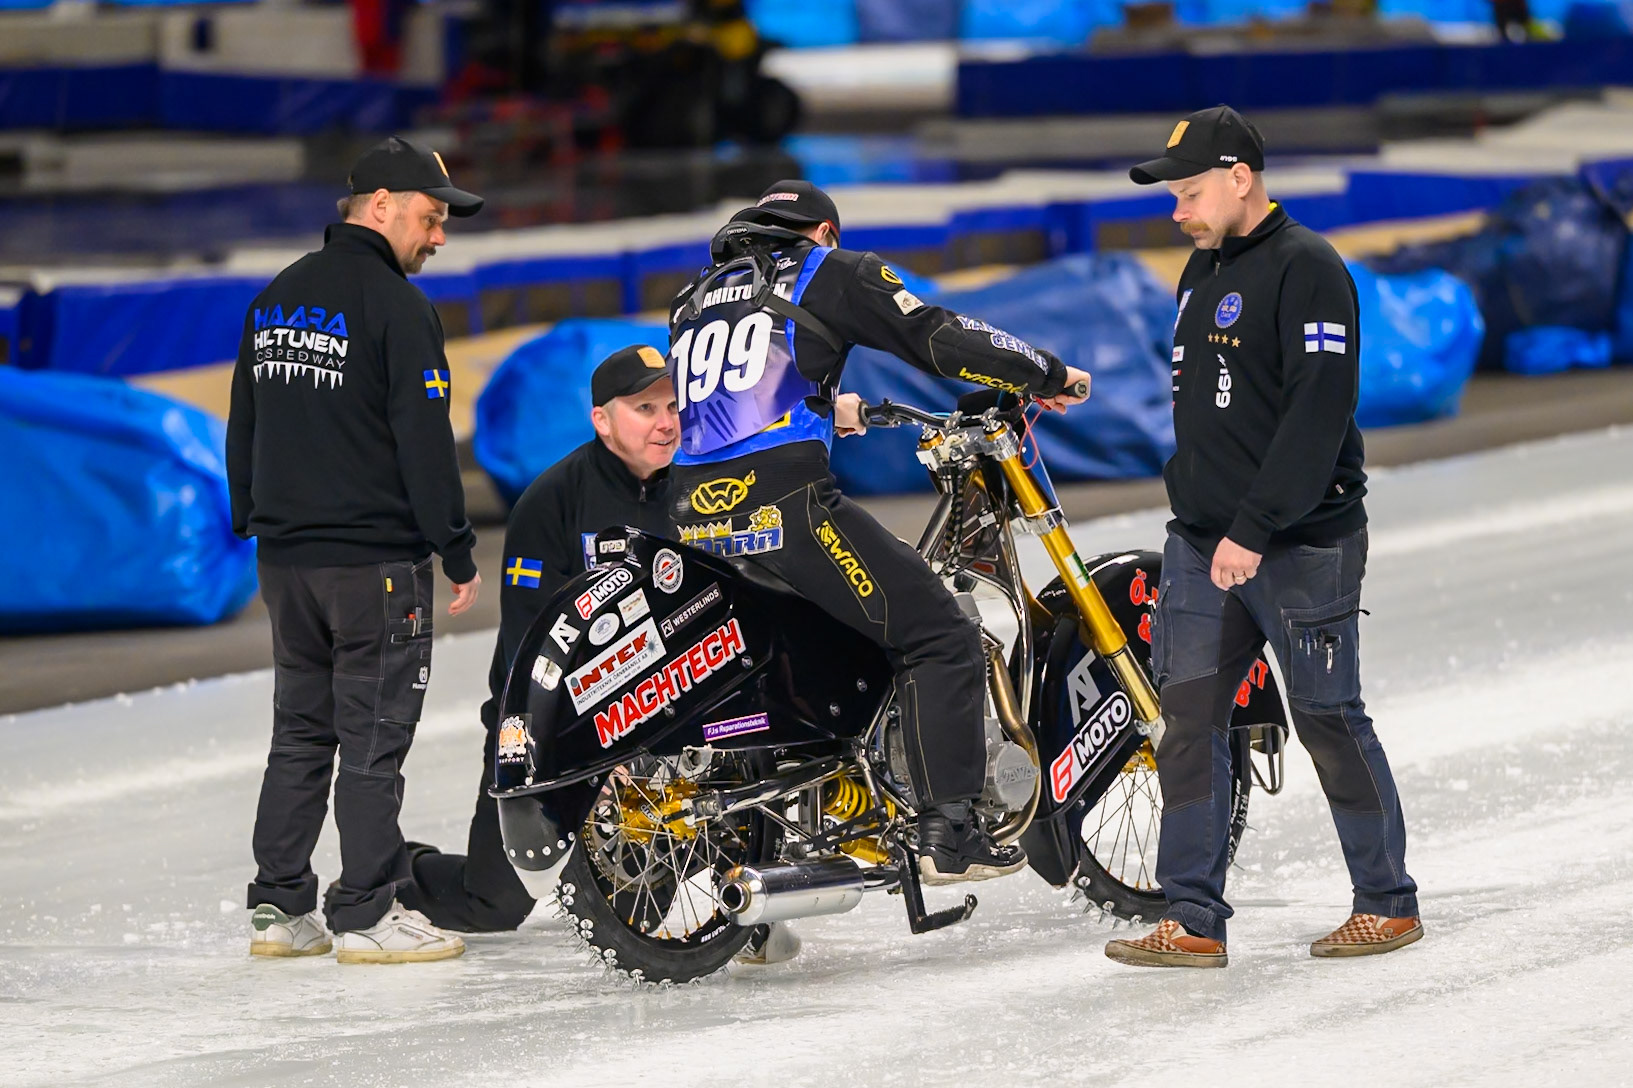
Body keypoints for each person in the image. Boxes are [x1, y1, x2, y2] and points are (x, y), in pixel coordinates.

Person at [666, 180, 1092, 885]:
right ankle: (948, 833)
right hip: (785, 509)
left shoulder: (695, 298)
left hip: (694, 517)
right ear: (824, 233)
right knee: (938, 635)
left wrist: (833, 409)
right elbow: (938, 335)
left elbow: (735, 405)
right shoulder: (829, 270)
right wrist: (1043, 371)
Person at [1104, 105, 1421, 969]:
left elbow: (1318, 415)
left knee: (1325, 716)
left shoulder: (1308, 268)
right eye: (1173, 196)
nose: (1177, 211)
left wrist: (1253, 527)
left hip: (1298, 544)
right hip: (1203, 543)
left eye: (1190, 192)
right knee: (1188, 720)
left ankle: (1386, 903)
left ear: (1240, 177)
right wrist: (1204, 521)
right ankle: (1193, 918)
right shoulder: (1196, 274)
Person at [227, 135, 485, 964]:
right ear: (381, 207)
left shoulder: (276, 296)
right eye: (430, 217)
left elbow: (245, 424)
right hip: (373, 564)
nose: (438, 237)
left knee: (300, 732)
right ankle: (368, 912)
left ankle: (279, 908)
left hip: (287, 562)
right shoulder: (396, 307)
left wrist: (253, 518)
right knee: (373, 739)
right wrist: (455, 546)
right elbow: (424, 439)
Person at [403, 345, 677, 935]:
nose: (666, 422)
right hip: (547, 722)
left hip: (664, 716)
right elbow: (530, 642)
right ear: (602, 420)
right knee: (493, 905)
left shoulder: (702, 486)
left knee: (643, 907)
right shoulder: (552, 500)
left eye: (674, 405)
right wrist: (600, 748)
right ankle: (397, 870)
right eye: (645, 407)